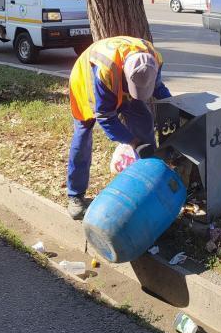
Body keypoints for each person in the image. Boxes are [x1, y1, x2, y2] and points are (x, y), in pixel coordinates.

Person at [67, 36, 171, 219]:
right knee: (83, 136)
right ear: (124, 75)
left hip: (118, 82)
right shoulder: (105, 71)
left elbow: (159, 88)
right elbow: (105, 116)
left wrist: (174, 107)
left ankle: (149, 180)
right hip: (86, 82)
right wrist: (134, 142)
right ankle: (75, 195)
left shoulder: (154, 58)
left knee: (143, 119)